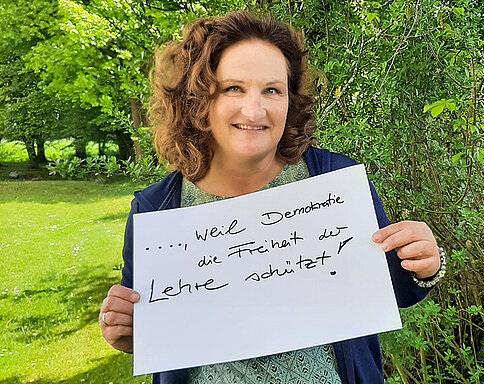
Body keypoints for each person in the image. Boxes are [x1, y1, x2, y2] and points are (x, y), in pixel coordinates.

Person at [99, 11, 445, 384]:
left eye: (272, 90)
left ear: (289, 99)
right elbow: (150, 325)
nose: (255, 110)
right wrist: (126, 332)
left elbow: (388, 290)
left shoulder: (334, 180)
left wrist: (425, 265)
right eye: (233, 88)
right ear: (198, 98)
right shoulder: (156, 210)